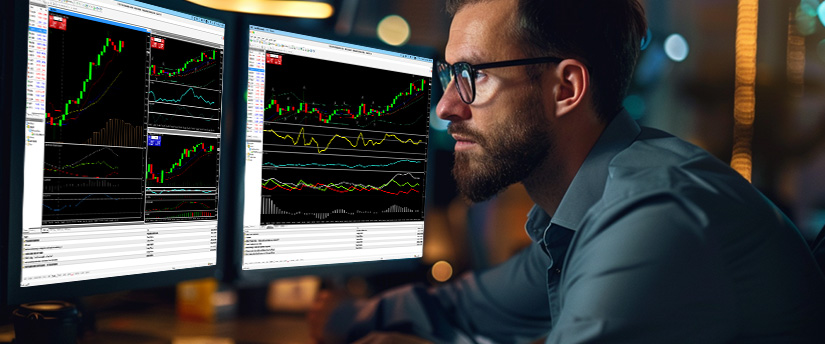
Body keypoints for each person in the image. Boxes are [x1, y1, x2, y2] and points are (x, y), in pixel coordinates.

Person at [308, 0, 825, 342]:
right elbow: (472, 306)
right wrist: (347, 319)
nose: (445, 106)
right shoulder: (589, 208)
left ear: (566, 89)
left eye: (471, 75)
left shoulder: (651, 215)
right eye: (448, 73)